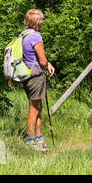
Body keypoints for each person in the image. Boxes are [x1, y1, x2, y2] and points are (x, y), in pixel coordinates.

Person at [20, 9, 55, 152]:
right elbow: (42, 60)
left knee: (38, 106)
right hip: (35, 76)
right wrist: (48, 66)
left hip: (27, 75)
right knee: (34, 108)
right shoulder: (36, 36)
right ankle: (31, 140)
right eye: (42, 20)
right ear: (38, 22)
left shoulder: (24, 35)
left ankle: (39, 138)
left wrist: (47, 64)